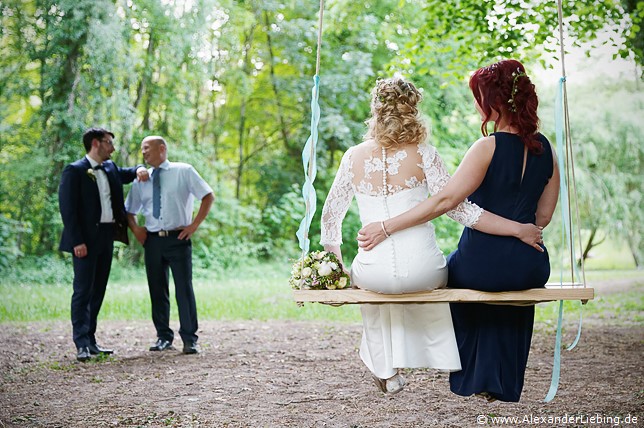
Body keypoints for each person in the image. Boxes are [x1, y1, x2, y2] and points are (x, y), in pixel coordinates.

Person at [320, 77, 543, 394]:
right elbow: (460, 210)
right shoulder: (425, 154)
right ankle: (432, 353)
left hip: (374, 273)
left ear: (376, 110)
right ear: (413, 111)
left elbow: (331, 217)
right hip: (424, 271)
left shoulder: (353, 156)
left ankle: (386, 369)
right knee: (418, 272)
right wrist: (518, 229)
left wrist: (336, 266)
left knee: (368, 276)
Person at [59, 127, 149, 361]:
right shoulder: (75, 171)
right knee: (82, 291)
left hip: (106, 238)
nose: (113, 147)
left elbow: (128, 173)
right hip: (84, 242)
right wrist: (77, 241)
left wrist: (140, 168)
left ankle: (91, 340)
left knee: (98, 289)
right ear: (96, 144)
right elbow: (67, 210)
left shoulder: (110, 167)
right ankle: (81, 344)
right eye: (109, 142)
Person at [125, 136, 214, 355]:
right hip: (152, 240)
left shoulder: (183, 171)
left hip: (178, 239)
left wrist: (193, 226)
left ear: (161, 148)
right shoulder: (141, 178)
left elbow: (208, 195)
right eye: (142, 149)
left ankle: (189, 338)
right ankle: (163, 336)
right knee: (157, 289)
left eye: (147, 148)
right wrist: (136, 229)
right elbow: (130, 210)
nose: (143, 153)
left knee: (184, 289)